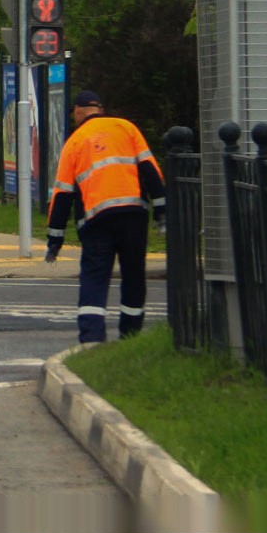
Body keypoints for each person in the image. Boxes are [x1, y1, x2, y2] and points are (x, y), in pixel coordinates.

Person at [45, 90, 167, 343]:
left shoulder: (75, 142)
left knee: (95, 276)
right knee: (134, 274)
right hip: (133, 215)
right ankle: (131, 335)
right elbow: (151, 171)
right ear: (99, 109)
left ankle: (92, 338)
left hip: (96, 221)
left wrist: (54, 239)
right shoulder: (126, 128)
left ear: (78, 112)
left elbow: (62, 195)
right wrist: (162, 211)